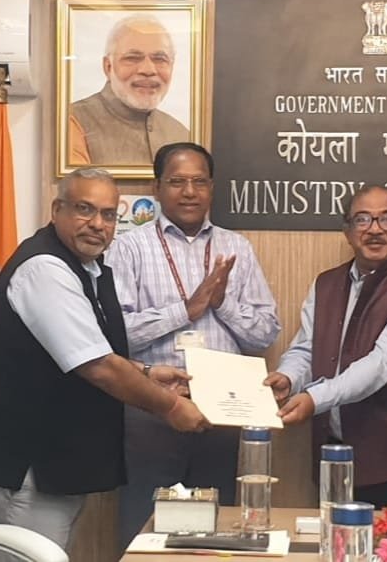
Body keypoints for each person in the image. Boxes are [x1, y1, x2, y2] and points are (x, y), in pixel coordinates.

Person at [0, 167, 208, 559]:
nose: (97, 224)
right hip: (27, 471)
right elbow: (99, 368)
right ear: (56, 210)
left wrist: (147, 373)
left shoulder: (87, 268)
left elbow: (84, 349)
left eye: (108, 214)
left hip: (55, 468)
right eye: (84, 209)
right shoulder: (45, 269)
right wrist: (172, 407)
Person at [106, 142, 281, 539]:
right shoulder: (129, 247)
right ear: (156, 188)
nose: (189, 192)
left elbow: (266, 332)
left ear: (211, 188)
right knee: (145, 528)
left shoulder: (236, 247)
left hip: (222, 411)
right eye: (177, 182)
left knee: (215, 532)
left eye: (199, 182)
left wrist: (222, 304)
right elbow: (115, 335)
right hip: (152, 409)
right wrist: (185, 310)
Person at [264, 185, 387, 509]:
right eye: (362, 219)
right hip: (333, 457)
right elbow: (306, 348)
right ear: (347, 231)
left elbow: (384, 361)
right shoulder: (326, 282)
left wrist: (314, 399)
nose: (375, 229)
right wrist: (288, 378)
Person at [68, 14, 189, 166]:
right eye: (133, 58)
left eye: (160, 59)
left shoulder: (181, 135)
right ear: (108, 67)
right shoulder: (72, 122)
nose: (148, 70)